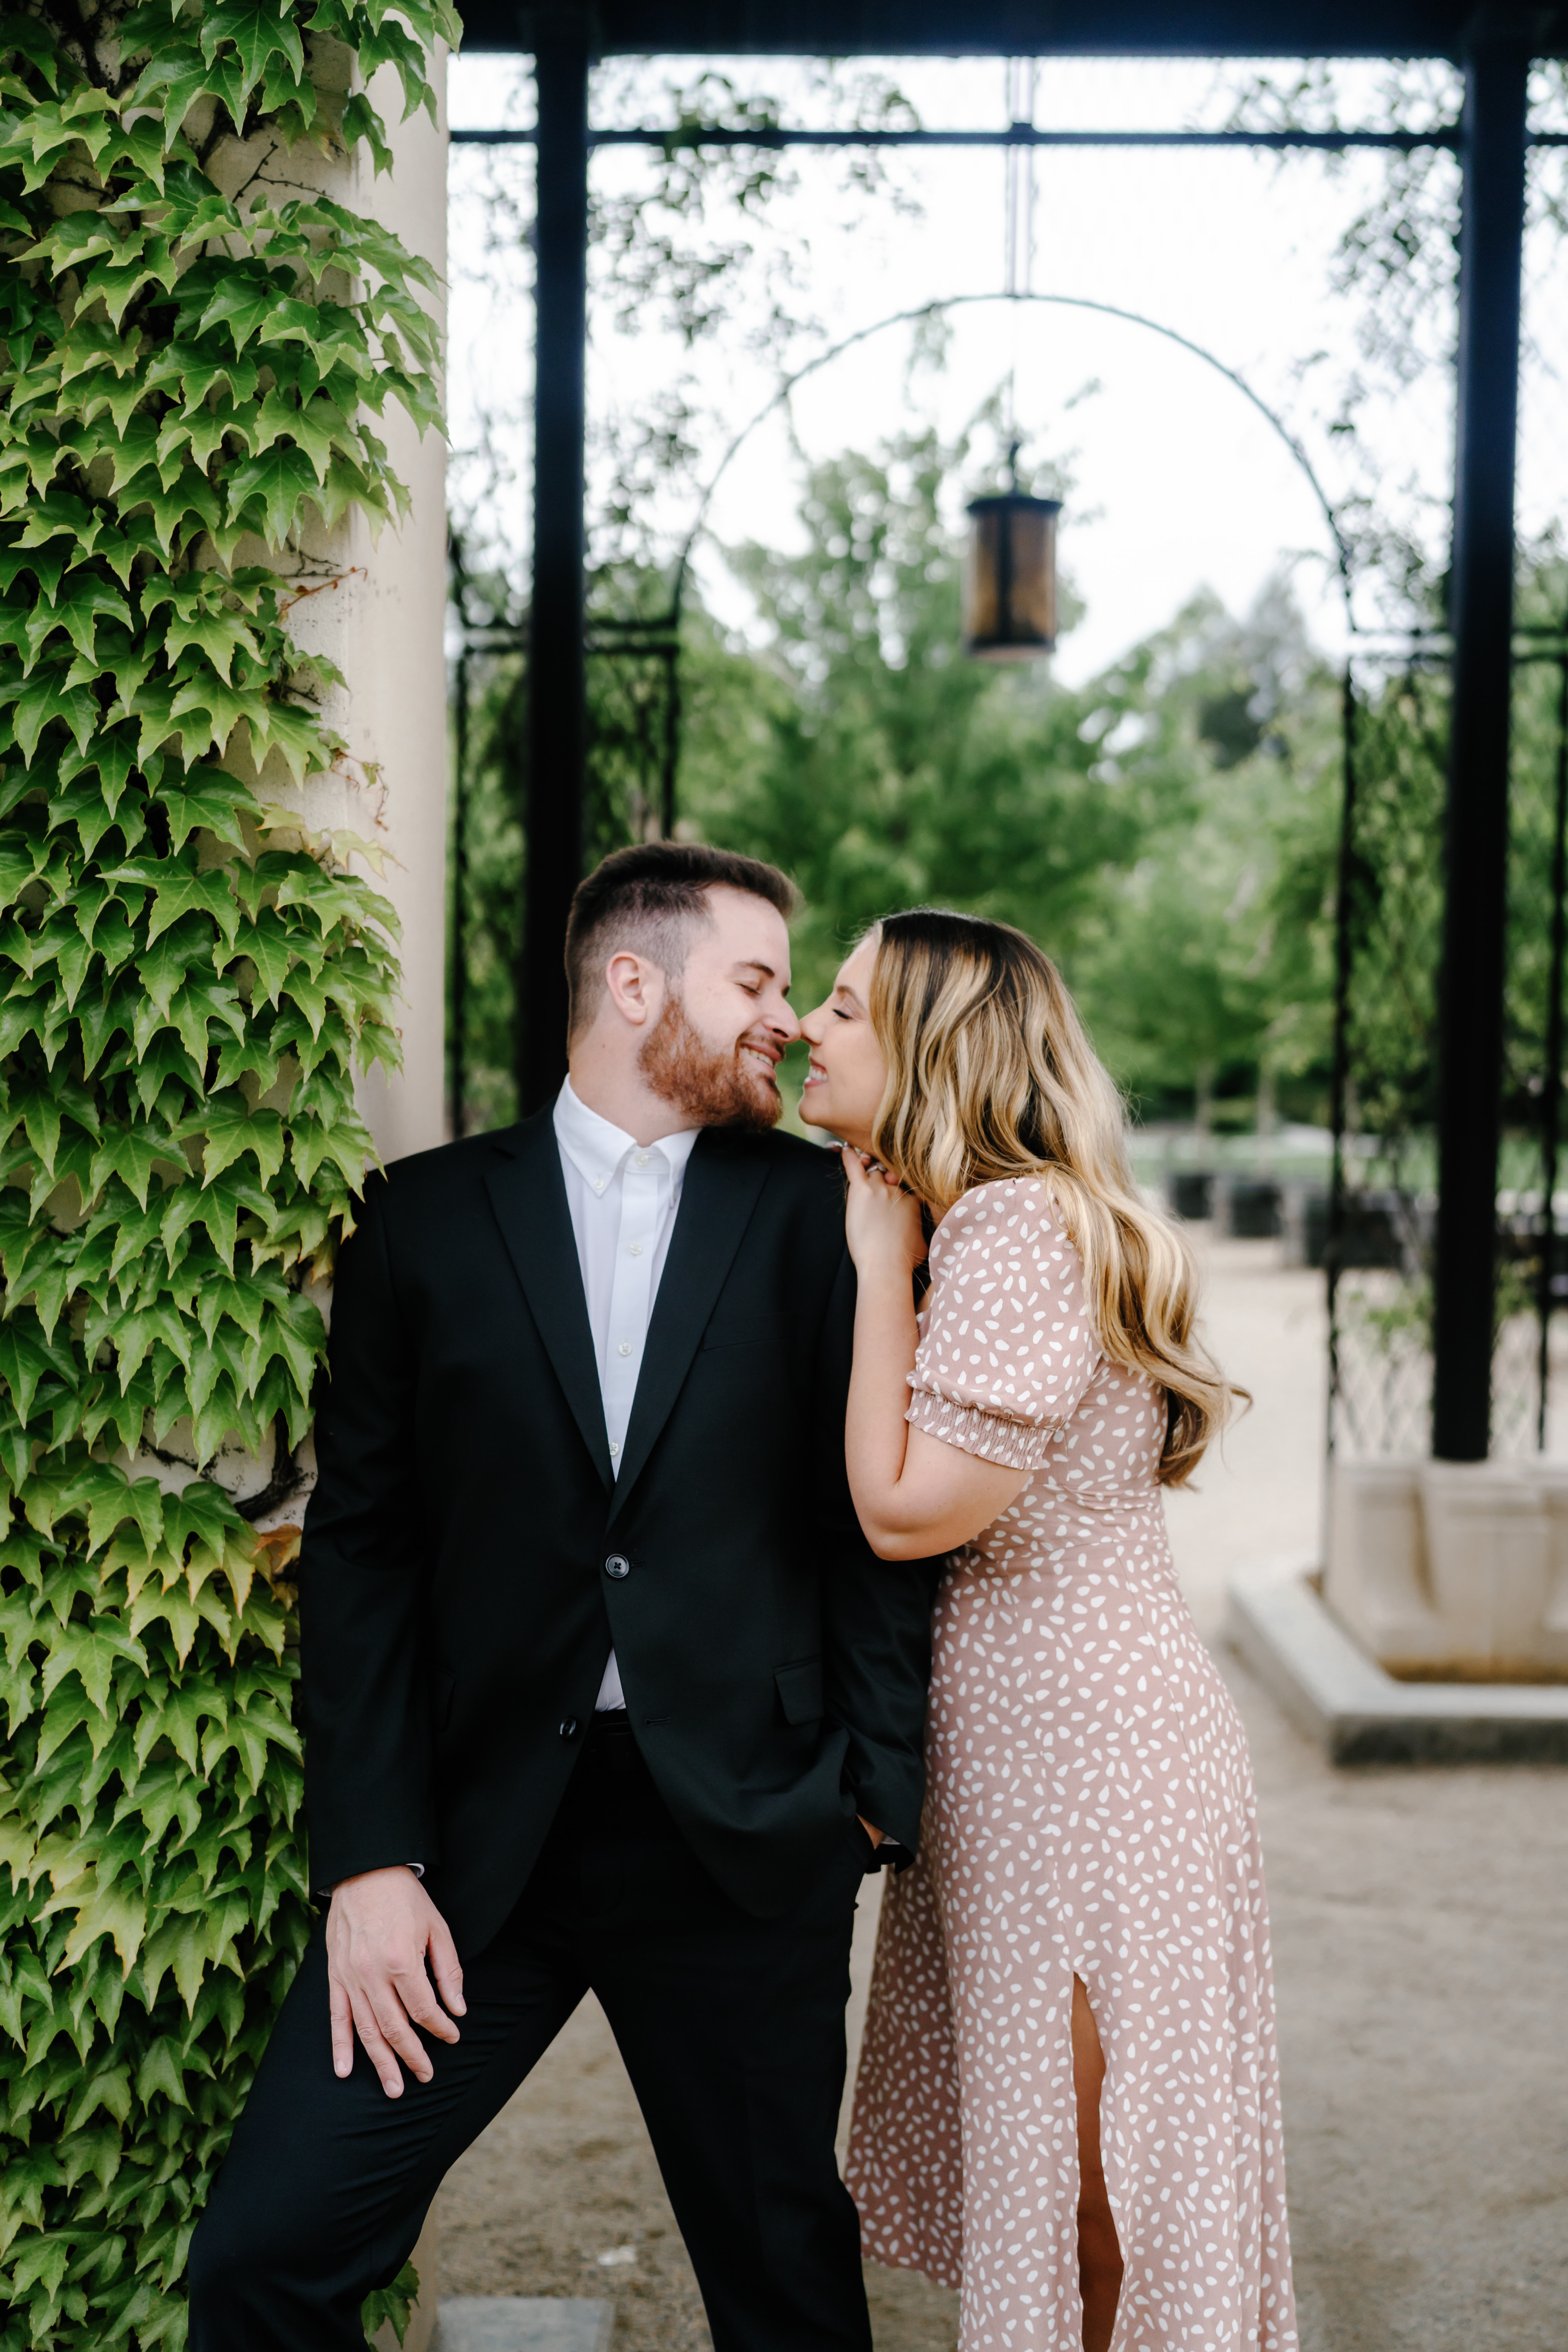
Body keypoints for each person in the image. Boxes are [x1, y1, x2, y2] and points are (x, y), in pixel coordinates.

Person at [188, 842, 938, 2352]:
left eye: (790, 992)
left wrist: (870, 1797)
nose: (784, 1022)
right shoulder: (420, 1221)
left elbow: (871, 1529)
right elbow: (366, 1555)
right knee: (264, 2256)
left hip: (741, 1841)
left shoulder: (829, 1223)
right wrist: (371, 1862)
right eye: (754, 981)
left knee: (788, 2295)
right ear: (631, 980)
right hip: (473, 1858)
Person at [797, 908, 1297, 2352]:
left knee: (1095, 2187)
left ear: (930, 1051)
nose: (807, 1033)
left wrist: (878, 1254)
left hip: (1084, 1768)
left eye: (842, 1007)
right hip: (1045, 1746)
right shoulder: (1003, 1222)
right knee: (1075, 2168)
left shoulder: (1015, 1229)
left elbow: (903, 1510)